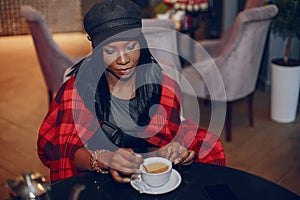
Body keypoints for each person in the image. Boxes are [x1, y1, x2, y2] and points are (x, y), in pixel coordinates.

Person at [38, 0, 225, 183]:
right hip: (95, 181)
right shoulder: (77, 90)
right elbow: (63, 151)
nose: (123, 59)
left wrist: (174, 150)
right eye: (110, 51)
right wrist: (106, 160)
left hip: (148, 177)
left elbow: (167, 139)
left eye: (130, 47)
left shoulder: (163, 87)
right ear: (96, 51)